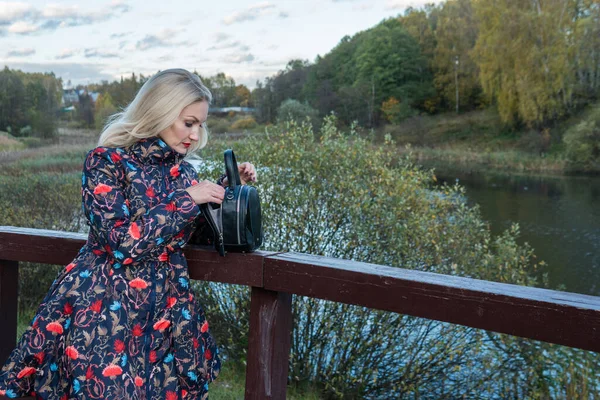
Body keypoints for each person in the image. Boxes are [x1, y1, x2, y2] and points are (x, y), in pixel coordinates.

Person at [0, 68, 257, 399]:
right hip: (105, 316)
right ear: (159, 111)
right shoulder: (105, 162)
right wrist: (190, 198)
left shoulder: (184, 173)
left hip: (168, 317)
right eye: (188, 122)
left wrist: (227, 192)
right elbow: (122, 242)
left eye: (201, 124)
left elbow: (190, 235)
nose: (195, 134)